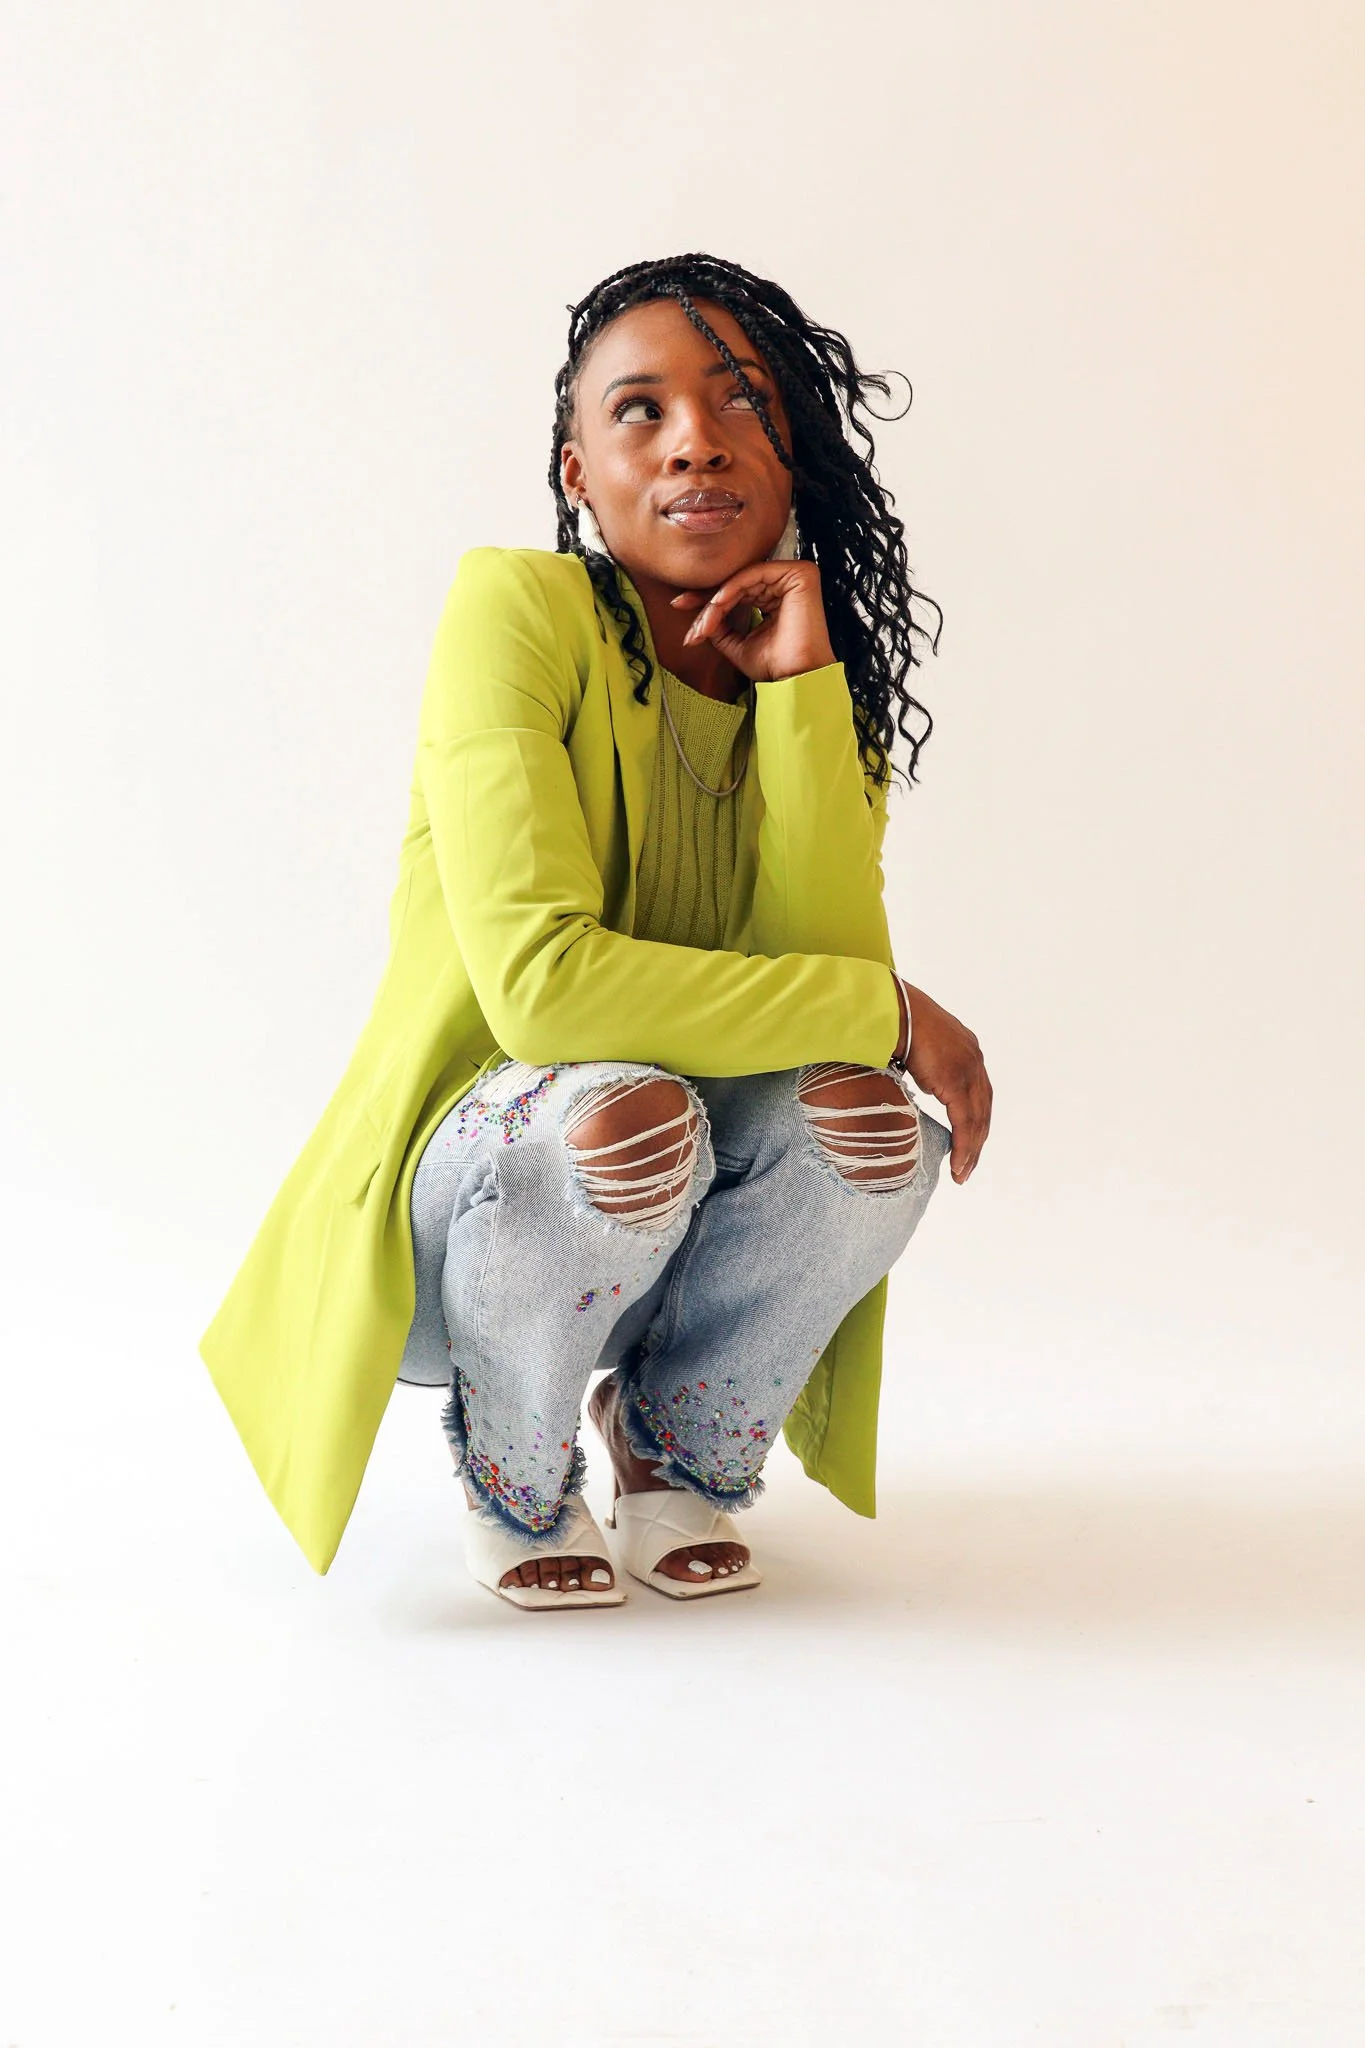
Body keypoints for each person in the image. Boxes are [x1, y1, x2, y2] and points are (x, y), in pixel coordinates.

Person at [198, 251, 993, 1607]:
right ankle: (516, 1471)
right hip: (476, 1205)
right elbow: (545, 994)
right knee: (629, 1109)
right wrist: (893, 1011)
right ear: (578, 473)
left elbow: (824, 993)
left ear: (792, 454)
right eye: (641, 411)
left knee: (867, 1121)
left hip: (684, 1221)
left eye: (742, 403)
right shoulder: (513, 612)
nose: (695, 441)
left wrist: (801, 697)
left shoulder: (813, 686)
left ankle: (679, 1444)